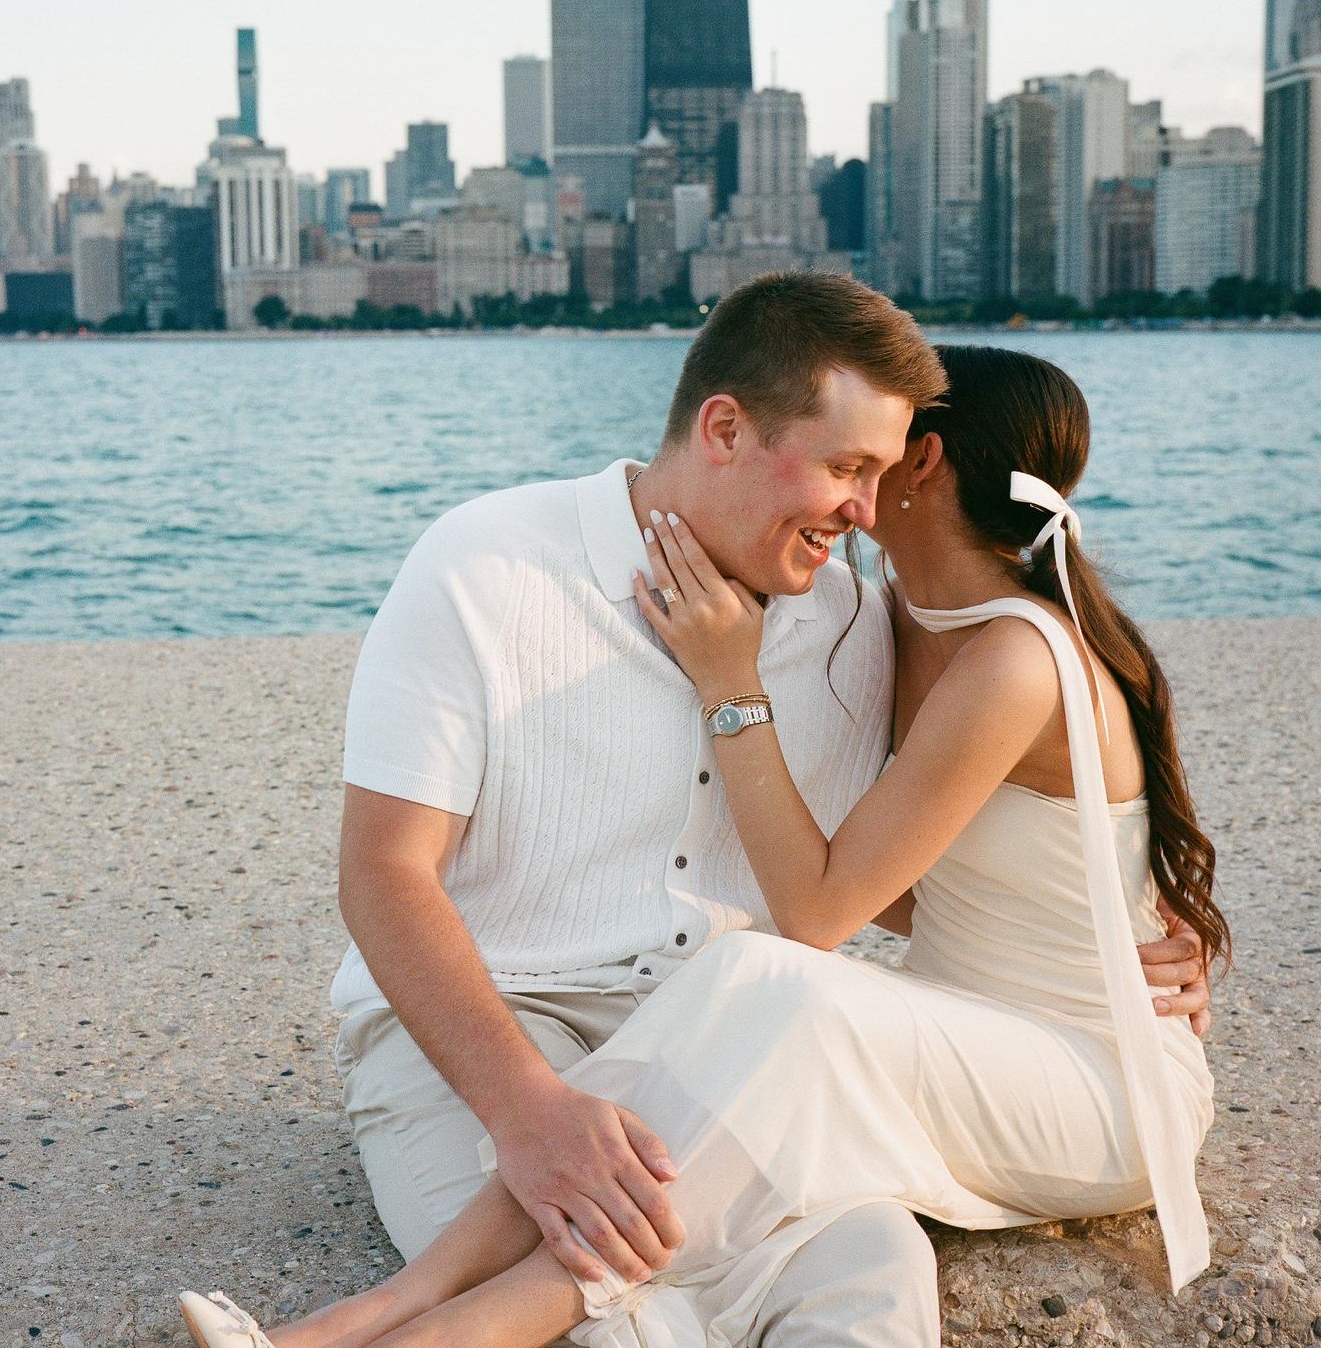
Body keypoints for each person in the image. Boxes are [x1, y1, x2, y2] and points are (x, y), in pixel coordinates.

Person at [178, 294, 1214, 1348]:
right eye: (846, 467)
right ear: (723, 429)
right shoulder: (487, 565)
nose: (863, 512)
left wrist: (1132, 935)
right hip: (496, 1025)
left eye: (880, 473)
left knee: (873, 1267)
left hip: (731, 1039)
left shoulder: (861, 626)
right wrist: (531, 1112)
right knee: (615, 1315)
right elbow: (383, 876)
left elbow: (891, 875)